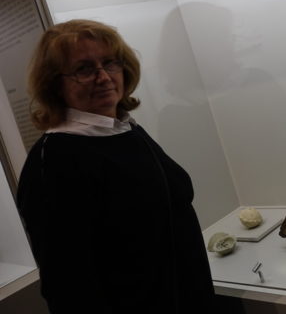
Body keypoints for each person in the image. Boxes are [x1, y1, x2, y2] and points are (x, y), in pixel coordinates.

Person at [17, 19, 217, 313]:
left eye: (110, 63)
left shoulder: (126, 130)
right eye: (84, 69)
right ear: (55, 84)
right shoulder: (54, 160)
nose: (103, 77)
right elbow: (68, 286)